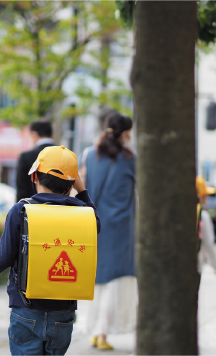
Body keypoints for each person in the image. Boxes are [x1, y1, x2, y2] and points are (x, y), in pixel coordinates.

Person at [0, 145, 101, 356]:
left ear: (34, 176)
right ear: (71, 185)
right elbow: (96, 223)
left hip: (26, 309)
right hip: (63, 313)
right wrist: (81, 190)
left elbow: (5, 256)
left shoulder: (21, 210)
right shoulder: (83, 214)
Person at [78, 111, 137, 351]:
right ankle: (102, 332)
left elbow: (81, 185)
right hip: (121, 228)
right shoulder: (131, 158)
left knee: (95, 278)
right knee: (115, 281)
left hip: (93, 225)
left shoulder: (89, 155)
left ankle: (94, 329)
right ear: (124, 133)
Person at [16, 121, 54, 202]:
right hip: (60, 210)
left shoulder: (26, 157)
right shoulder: (64, 155)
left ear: (33, 135)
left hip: (32, 210)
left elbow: (22, 190)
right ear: (51, 135)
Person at [196, 177, 216, 277]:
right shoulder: (202, 215)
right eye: (205, 195)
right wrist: (215, 265)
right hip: (196, 262)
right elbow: (209, 242)